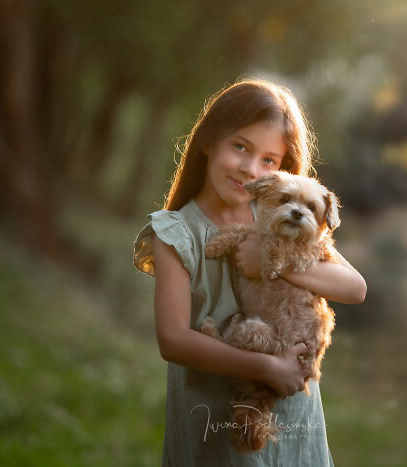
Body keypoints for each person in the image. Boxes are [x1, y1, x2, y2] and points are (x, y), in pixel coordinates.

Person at [133, 77, 367, 466]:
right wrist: (267, 366)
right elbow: (172, 340)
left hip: (293, 424)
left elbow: (355, 287)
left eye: (268, 161)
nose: (250, 169)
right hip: (213, 424)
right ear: (208, 141)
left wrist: (276, 266)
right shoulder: (175, 232)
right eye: (240, 147)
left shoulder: (279, 214)